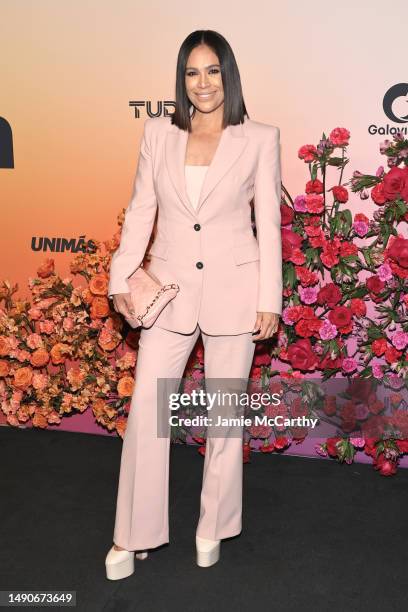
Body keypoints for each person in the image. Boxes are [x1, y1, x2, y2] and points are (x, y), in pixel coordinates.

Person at [105, 29, 282, 580]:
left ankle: (214, 525)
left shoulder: (259, 137)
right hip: (169, 293)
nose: (202, 83)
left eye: (211, 71)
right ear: (181, 80)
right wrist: (121, 278)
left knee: (224, 418)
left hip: (236, 290)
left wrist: (268, 298)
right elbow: (140, 212)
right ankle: (131, 534)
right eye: (191, 72)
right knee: (146, 418)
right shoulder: (158, 132)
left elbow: (268, 226)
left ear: (227, 74)